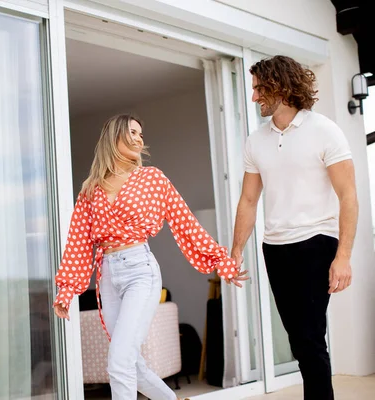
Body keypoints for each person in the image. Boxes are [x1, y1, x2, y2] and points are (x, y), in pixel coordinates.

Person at [53, 114, 248, 400]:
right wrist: (67, 288)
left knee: (119, 362)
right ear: (114, 136)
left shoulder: (152, 179)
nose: (139, 138)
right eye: (132, 131)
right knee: (130, 362)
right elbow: (79, 241)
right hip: (107, 275)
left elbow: (185, 222)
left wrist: (220, 260)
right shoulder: (91, 189)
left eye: (141, 134)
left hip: (140, 271)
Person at [231, 55, 358, 400]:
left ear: (281, 86)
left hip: (317, 242)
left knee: (309, 337)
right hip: (275, 248)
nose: (254, 97)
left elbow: (348, 196)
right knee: (299, 339)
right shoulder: (256, 141)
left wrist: (343, 256)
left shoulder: (324, 130)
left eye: (259, 89)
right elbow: (248, 200)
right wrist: (235, 252)